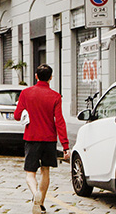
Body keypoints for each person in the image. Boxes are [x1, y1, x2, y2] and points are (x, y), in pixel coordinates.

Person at [13, 64, 69, 214]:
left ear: (36, 76)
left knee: (30, 172)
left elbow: (17, 115)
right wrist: (65, 145)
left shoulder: (26, 93)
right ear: (51, 77)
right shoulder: (56, 96)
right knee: (45, 171)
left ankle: (35, 194)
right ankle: (40, 204)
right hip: (49, 139)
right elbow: (60, 121)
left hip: (31, 138)